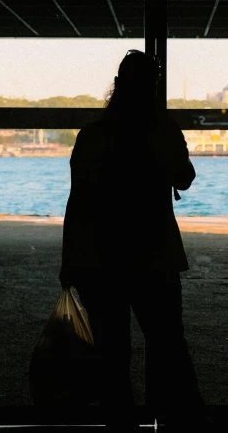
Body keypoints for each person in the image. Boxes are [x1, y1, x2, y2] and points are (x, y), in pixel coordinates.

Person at [60, 50, 208, 431]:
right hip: (154, 253)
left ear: (118, 86)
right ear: (152, 88)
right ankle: (175, 418)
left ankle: (120, 424)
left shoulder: (92, 135)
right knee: (168, 344)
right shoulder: (161, 130)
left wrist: (69, 259)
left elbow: (78, 202)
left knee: (112, 354)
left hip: (101, 255)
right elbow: (185, 179)